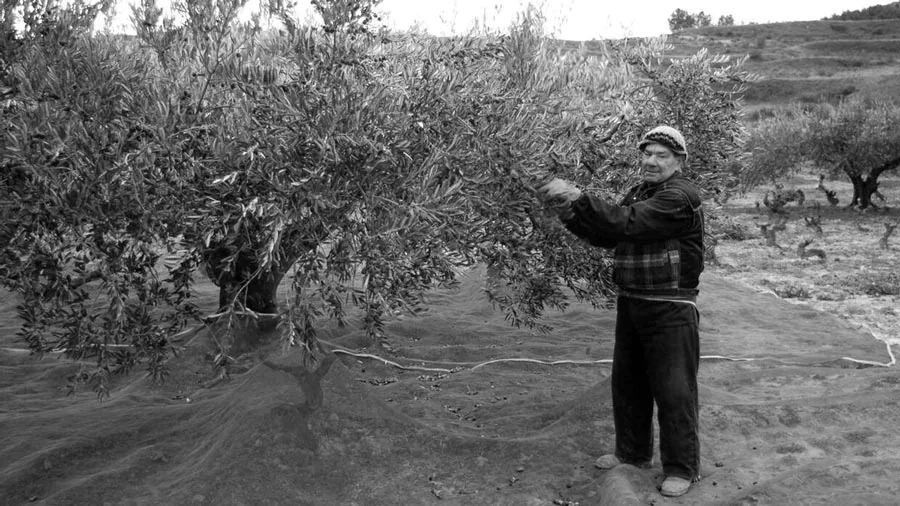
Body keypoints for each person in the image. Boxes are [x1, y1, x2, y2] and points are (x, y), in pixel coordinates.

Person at [538, 125, 704, 498]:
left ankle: (681, 467)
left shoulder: (680, 196)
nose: (651, 161)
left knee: (675, 389)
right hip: (633, 301)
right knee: (628, 383)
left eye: (661, 155)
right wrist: (570, 214)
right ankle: (632, 453)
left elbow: (627, 222)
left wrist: (580, 198)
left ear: (679, 160)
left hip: (670, 307)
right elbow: (608, 235)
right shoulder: (641, 193)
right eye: (647, 153)